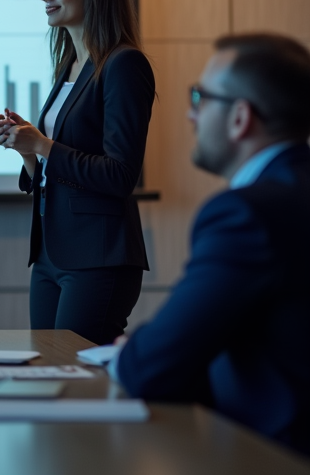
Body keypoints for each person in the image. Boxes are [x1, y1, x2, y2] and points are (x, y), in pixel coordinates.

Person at [114, 33, 310, 456]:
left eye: (201, 97)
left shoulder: (247, 215)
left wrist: (139, 352)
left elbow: (149, 370)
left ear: (241, 118)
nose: (190, 114)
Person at [0, 0, 154, 345]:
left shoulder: (124, 64)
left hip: (98, 257)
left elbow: (119, 174)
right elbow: (52, 167)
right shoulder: (71, 66)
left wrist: (43, 145)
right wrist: (27, 149)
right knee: (47, 375)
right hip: (50, 253)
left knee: (76, 383)